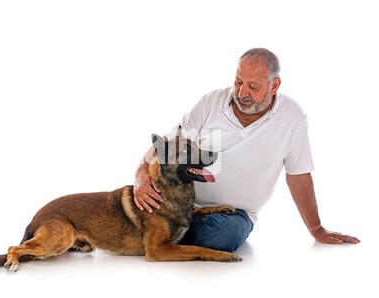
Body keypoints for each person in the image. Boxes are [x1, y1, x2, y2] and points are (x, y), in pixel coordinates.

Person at [133, 48, 359, 252]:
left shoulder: (292, 117)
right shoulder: (211, 102)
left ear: (274, 85)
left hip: (231, 216)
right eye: (238, 82)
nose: (242, 93)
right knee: (128, 209)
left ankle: (158, 237)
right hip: (180, 203)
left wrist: (317, 229)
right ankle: (161, 234)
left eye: (253, 86)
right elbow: (168, 145)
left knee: (221, 235)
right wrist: (141, 175)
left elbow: (298, 175)